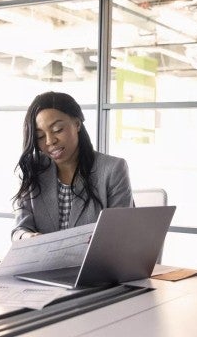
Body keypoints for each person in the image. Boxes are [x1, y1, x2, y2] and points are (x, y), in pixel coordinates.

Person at [11, 91, 133, 240]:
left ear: (77, 124)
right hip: (44, 262)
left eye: (57, 130)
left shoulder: (112, 169)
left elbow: (121, 234)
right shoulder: (32, 168)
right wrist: (28, 237)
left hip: (93, 263)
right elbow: (19, 230)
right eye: (40, 136)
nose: (49, 141)